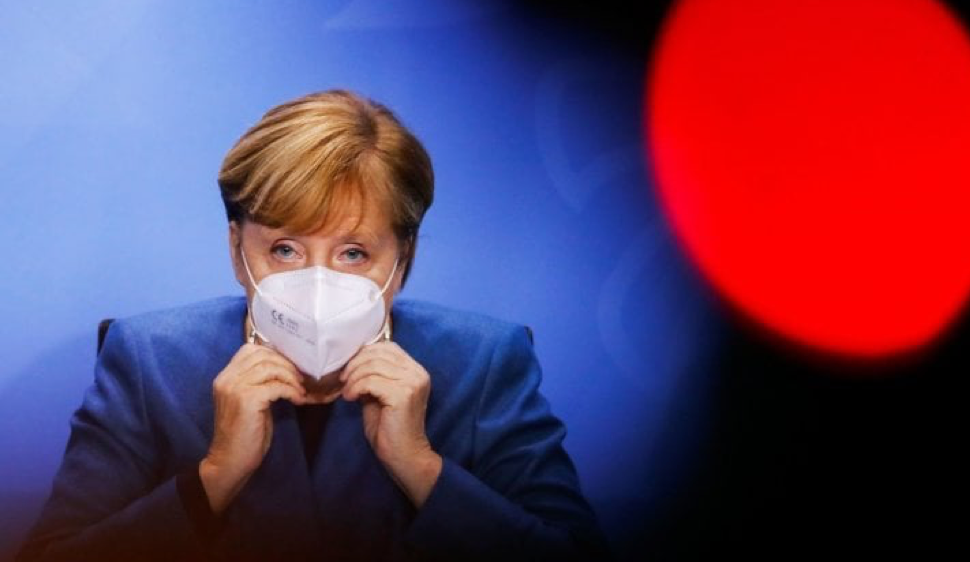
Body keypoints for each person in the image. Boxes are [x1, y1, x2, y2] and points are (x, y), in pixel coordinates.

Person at [15, 89, 610, 561]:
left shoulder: (484, 362)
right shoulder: (150, 360)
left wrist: (422, 467)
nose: (318, 281)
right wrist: (213, 477)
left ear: (403, 258)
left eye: (353, 252)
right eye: (285, 249)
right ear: (236, 250)